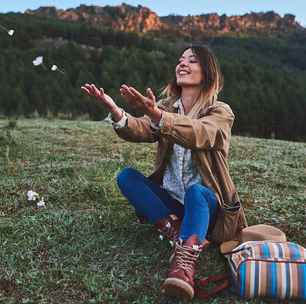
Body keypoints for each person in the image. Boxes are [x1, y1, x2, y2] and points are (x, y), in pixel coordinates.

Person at [81, 45, 247, 301]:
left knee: (196, 192)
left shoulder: (220, 112)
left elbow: (199, 133)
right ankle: (178, 231)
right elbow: (141, 128)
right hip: (173, 202)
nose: (183, 64)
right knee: (127, 176)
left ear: (208, 72)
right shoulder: (167, 106)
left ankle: (183, 265)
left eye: (192, 61)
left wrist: (158, 115)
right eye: (181, 60)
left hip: (207, 206)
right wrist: (116, 112)